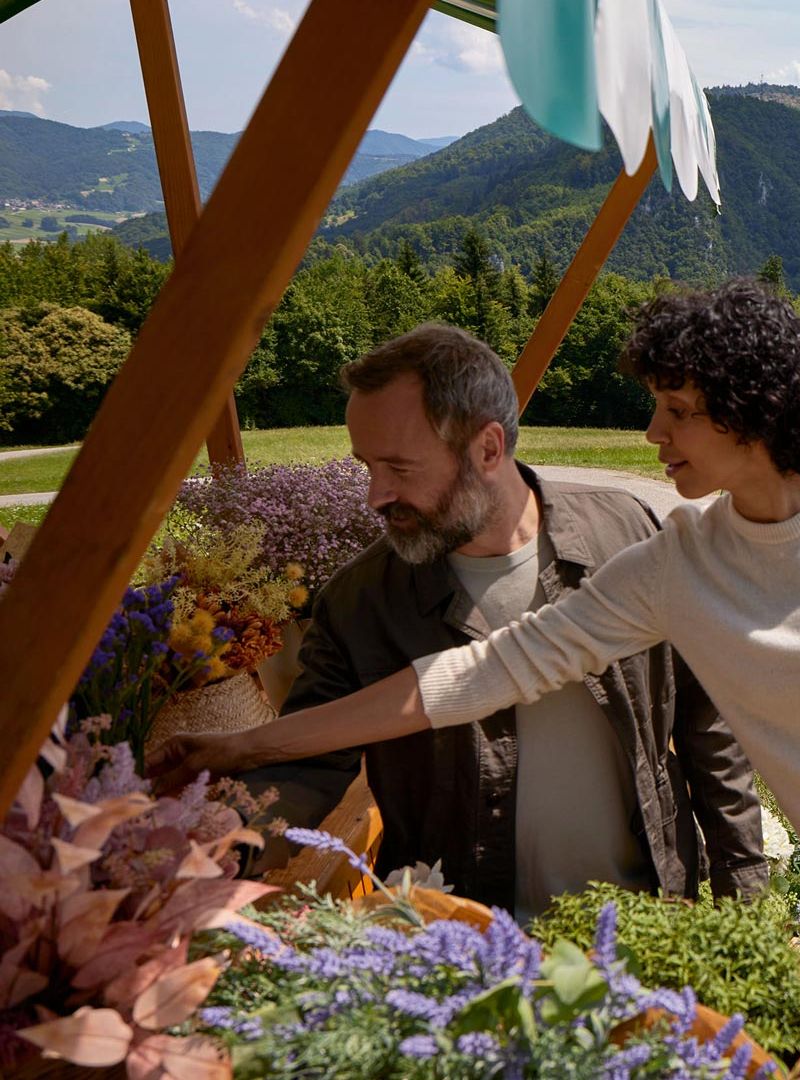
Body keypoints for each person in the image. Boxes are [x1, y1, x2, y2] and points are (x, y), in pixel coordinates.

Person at [154, 282, 800, 1079]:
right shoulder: (675, 568)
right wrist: (244, 746)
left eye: (676, 410)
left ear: (751, 411)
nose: (653, 433)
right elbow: (469, 676)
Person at [238, 323, 766, 917]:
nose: (375, 496)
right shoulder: (361, 601)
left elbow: (707, 721)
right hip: (461, 947)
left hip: (648, 925)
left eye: (399, 469)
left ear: (488, 449)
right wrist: (230, 841)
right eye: (367, 467)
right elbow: (303, 760)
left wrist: (742, 888)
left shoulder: (627, 534)